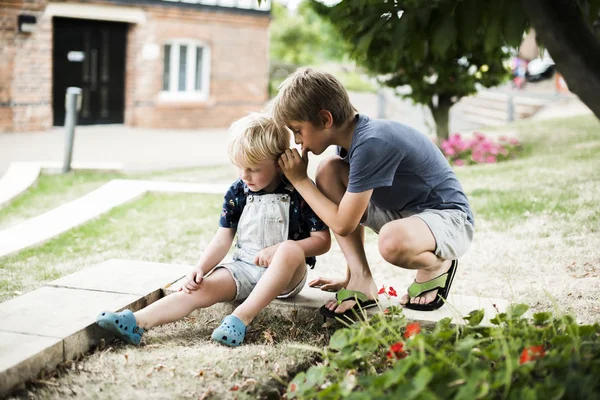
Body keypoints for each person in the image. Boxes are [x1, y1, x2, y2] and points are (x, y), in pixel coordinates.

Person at [96, 113, 331, 347]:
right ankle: (136, 322)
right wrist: (200, 268)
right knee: (200, 288)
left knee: (289, 250)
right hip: (245, 269)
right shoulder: (238, 191)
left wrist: (279, 249)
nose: (244, 175)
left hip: (287, 277)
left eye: (253, 168)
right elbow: (222, 239)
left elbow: (322, 241)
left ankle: (241, 318)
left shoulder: (298, 190)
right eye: (240, 167)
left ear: (279, 163)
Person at [272, 68, 474, 319]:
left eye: (298, 130)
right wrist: (349, 276)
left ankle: (439, 263)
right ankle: (359, 277)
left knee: (391, 242)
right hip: (406, 215)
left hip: (449, 220)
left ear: (325, 120)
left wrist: (300, 181)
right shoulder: (351, 142)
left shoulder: (371, 142)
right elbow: (349, 210)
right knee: (328, 171)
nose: (297, 141)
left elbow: (344, 224)